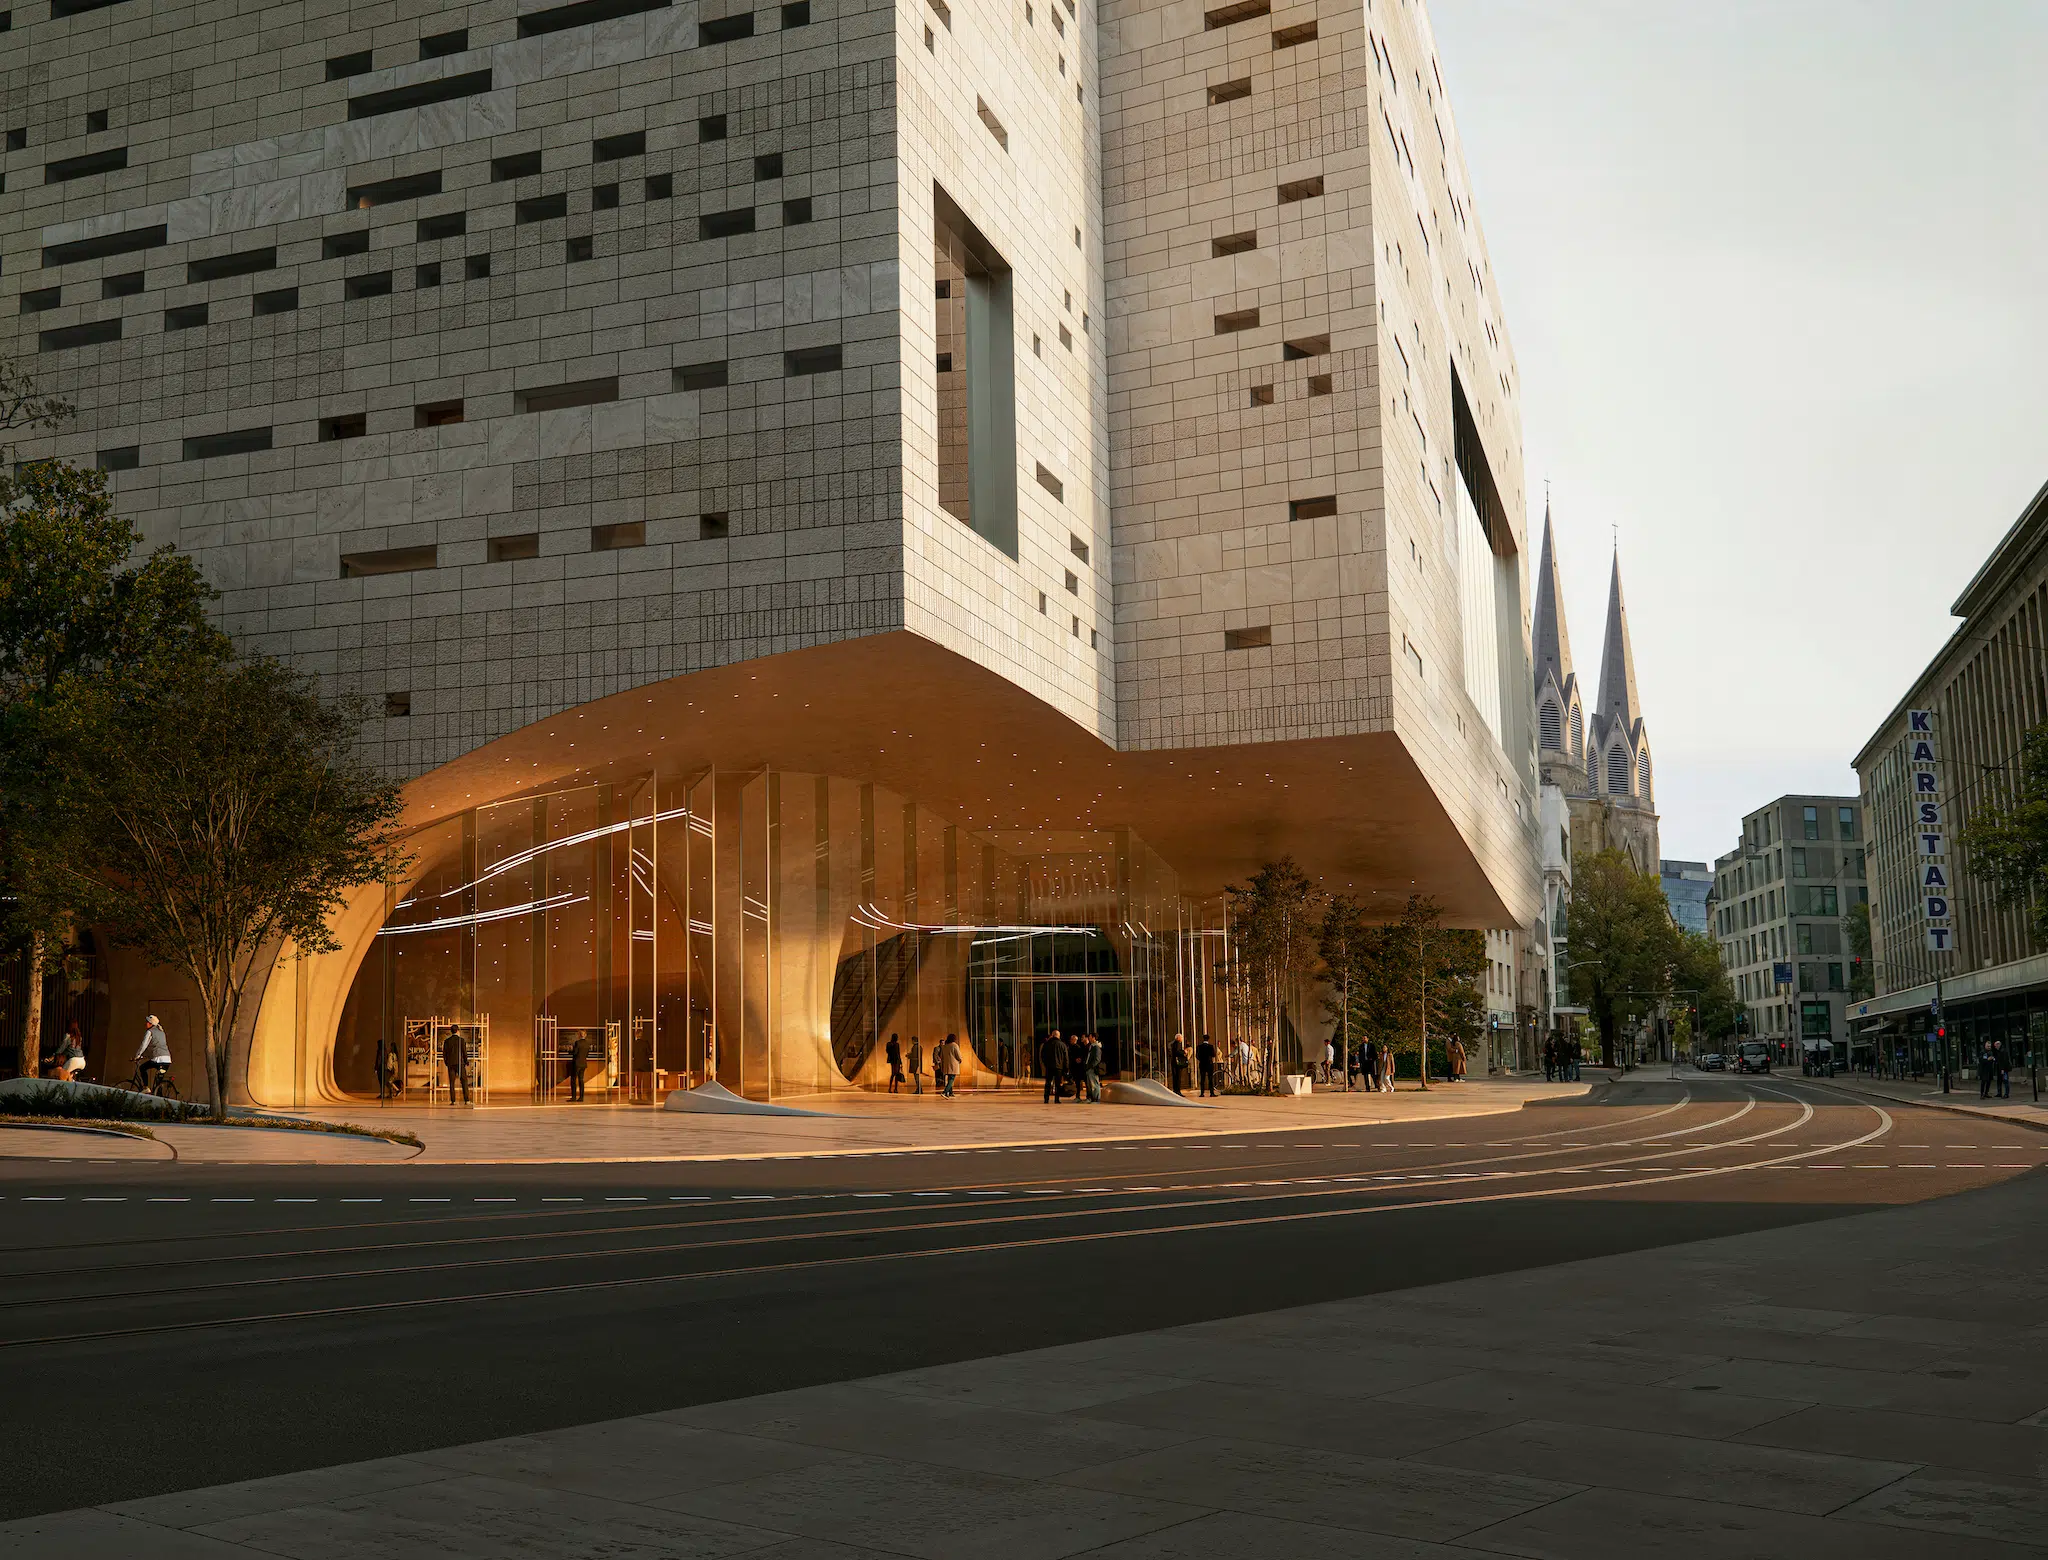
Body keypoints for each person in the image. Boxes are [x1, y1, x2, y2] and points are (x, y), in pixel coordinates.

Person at [135, 1015, 172, 1094]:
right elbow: (156, 1046)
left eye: (148, 1022)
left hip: (158, 1059)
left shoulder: (150, 1032)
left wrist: (138, 1055)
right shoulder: (162, 1032)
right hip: (167, 1060)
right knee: (158, 1082)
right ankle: (159, 1095)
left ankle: (146, 1087)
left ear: (151, 1024)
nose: (146, 1024)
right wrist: (145, 1055)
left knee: (142, 1068)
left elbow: (144, 1045)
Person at [443, 1023, 471, 1105]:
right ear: (458, 1031)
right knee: (464, 1081)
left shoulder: (447, 1041)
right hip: (460, 1063)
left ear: (451, 1031)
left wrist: (447, 1063)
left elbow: (444, 1054)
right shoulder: (461, 1040)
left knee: (452, 1082)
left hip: (451, 1064)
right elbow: (464, 1052)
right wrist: (466, 1061)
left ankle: (453, 1100)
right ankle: (466, 1100)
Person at [1042, 1030, 1069, 1103]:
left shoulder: (1047, 1044)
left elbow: (1043, 1055)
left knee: (1048, 1083)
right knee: (1058, 1084)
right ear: (1059, 1036)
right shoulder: (1062, 1045)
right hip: (1059, 1067)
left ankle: (1046, 1099)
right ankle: (1057, 1099)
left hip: (1049, 1067)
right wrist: (1066, 1068)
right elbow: (1066, 1058)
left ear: (1052, 1035)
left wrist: (1046, 1064)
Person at [566, 1029, 587, 1102]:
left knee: (573, 1080)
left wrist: (569, 1050)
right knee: (581, 1080)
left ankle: (574, 1097)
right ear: (585, 1035)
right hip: (583, 1064)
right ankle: (581, 1097)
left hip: (576, 1064)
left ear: (579, 1035)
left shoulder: (577, 1043)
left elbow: (575, 1053)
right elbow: (587, 1054)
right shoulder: (587, 1043)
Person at [1195, 1032, 1218, 1097]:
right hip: (1209, 1064)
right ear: (1208, 1039)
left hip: (1202, 1064)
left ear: (1203, 1039)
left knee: (1202, 1079)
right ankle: (1211, 1093)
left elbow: (1197, 1056)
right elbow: (1213, 1055)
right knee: (1210, 1079)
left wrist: (1201, 1059)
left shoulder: (1199, 1047)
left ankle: (1202, 1093)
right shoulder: (1210, 1046)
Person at [939, 1032, 961, 1098]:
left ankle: (950, 1092)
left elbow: (941, 1056)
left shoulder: (944, 1046)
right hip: (953, 1064)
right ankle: (944, 1092)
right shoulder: (955, 1045)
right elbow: (958, 1055)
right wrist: (960, 1060)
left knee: (949, 1078)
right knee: (952, 1079)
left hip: (946, 1065)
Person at [1082, 1032, 1103, 1103]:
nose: (1089, 1038)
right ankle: (1091, 1098)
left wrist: (1090, 1066)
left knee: (1094, 1084)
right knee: (1090, 1085)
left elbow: (1097, 1059)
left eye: (1090, 1037)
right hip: (1089, 1068)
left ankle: (1096, 1099)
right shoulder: (1092, 1046)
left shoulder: (1096, 1047)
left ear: (1094, 1038)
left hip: (1093, 1069)